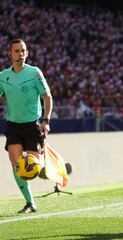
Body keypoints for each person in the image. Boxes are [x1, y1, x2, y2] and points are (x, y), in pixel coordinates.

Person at [0, 39, 53, 213]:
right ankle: (30, 203)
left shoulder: (34, 73)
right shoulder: (3, 76)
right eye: (16, 51)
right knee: (18, 168)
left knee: (33, 168)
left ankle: (45, 164)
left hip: (33, 125)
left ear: (27, 53)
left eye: (23, 51)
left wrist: (46, 120)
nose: (20, 54)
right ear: (10, 54)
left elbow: (47, 97)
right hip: (13, 126)